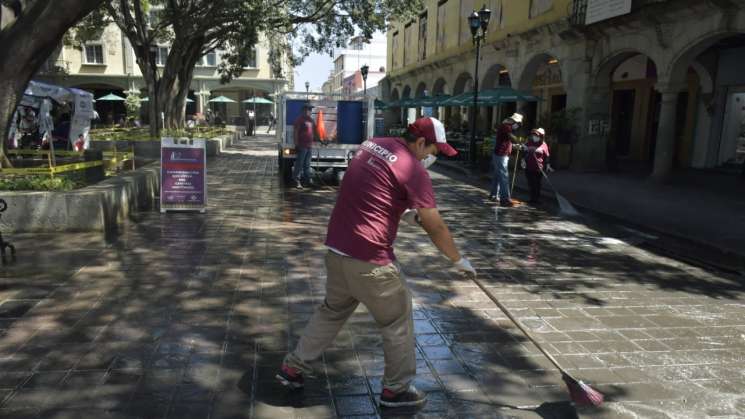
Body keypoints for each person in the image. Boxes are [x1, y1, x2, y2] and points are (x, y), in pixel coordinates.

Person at [276, 117, 478, 408]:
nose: (431, 157)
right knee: (396, 321)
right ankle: (395, 390)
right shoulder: (414, 169)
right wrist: (458, 260)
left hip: (337, 250)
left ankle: (293, 367)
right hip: (370, 260)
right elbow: (436, 225)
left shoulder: (372, 145)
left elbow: (372, 190)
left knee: (331, 311)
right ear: (421, 142)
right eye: (432, 150)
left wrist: (406, 212)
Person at [489, 113, 523, 207]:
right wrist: (519, 141)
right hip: (501, 154)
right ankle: (505, 199)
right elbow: (511, 137)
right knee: (504, 177)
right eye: (517, 124)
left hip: (500, 153)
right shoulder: (506, 126)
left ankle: (493, 195)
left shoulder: (507, 126)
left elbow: (507, 140)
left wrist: (515, 145)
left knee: (497, 175)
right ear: (514, 121)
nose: (517, 126)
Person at [521, 128, 553, 205]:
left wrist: (548, 165)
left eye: (536, 135)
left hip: (539, 168)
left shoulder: (544, 145)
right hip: (528, 167)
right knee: (531, 183)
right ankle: (532, 199)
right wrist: (522, 160)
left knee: (537, 184)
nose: (534, 136)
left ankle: (536, 199)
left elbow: (547, 155)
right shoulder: (528, 143)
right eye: (533, 135)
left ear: (541, 137)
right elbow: (523, 152)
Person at [292, 104, 315, 189]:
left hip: (309, 146)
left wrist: (320, 140)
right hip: (302, 145)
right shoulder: (299, 120)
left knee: (307, 164)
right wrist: (296, 144)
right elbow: (295, 132)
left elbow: (314, 132)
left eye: (310, 110)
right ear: (303, 110)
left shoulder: (311, 120)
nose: (309, 111)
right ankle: (296, 180)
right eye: (308, 109)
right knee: (299, 164)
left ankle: (307, 180)